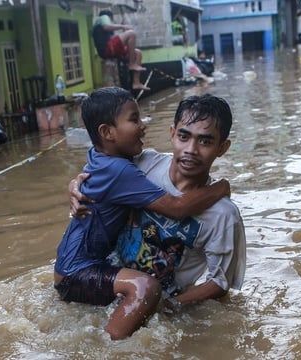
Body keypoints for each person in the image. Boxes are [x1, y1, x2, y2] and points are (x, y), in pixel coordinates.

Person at [54, 87, 231, 340]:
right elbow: (177, 207)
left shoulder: (107, 156)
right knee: (145, 287)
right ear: (107, 132)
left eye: (204, 141)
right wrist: (222, 187)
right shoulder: (124, 169)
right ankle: (109, 349)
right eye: (134, 119)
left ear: (222, 147)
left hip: (75, 265)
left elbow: (221, 283)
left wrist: (74, 184)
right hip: (78, 270)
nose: (143, 125)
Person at [92, 9, 150, 91]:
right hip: (107, 49)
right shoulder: (103, 18)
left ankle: (136, 82)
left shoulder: (103, 30)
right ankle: (132, 64)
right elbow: (106, 27)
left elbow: (118, 41)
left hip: (111, 51)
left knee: (137, 53)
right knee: (131, 33)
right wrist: (123, 26)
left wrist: (127, 42)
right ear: (110, 17)